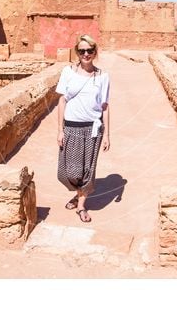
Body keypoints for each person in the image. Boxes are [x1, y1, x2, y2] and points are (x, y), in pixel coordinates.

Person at [55, 34, 110, 223]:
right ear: (77, 52)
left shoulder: (103, 76)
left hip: (93, 129)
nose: (86, 54)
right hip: (71, 127)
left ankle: (81, 205)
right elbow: (62, 100)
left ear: (95, 52)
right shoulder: (67, 72)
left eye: (90, 50)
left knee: (87, 171)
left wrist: (107, 135)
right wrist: (60, 130)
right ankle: (78, 193)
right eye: (82, 51)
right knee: (68, 172)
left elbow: (104, 106)